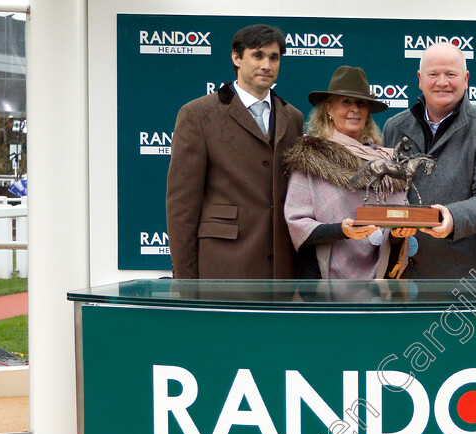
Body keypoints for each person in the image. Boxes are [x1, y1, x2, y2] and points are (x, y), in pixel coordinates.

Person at [166, 24, 304, 279]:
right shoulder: (198, 114)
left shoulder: (292, 117)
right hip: (223, 266)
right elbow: (182, 206)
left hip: (282, 271)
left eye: (274, 58)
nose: (267, 65)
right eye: (258, 55)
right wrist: (185, 280)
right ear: (236, 58)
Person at [382, 42, 476, 279]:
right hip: (402, 276)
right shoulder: (394, 127)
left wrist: (452, 217)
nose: (442, 82)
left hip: (467, 280)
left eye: (451, 74)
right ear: (420, 79)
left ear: (466, 78)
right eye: (433, 74)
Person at [283, 66, 415, 279]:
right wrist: (341, 230)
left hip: (382, 282)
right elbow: (297, 222)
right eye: (346, 102)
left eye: (361, 103)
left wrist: (399, 235)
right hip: (326, 282)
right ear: (329, 109)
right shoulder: (312, 156)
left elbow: (398, 217)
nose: (354, 109)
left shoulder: (387, 160)